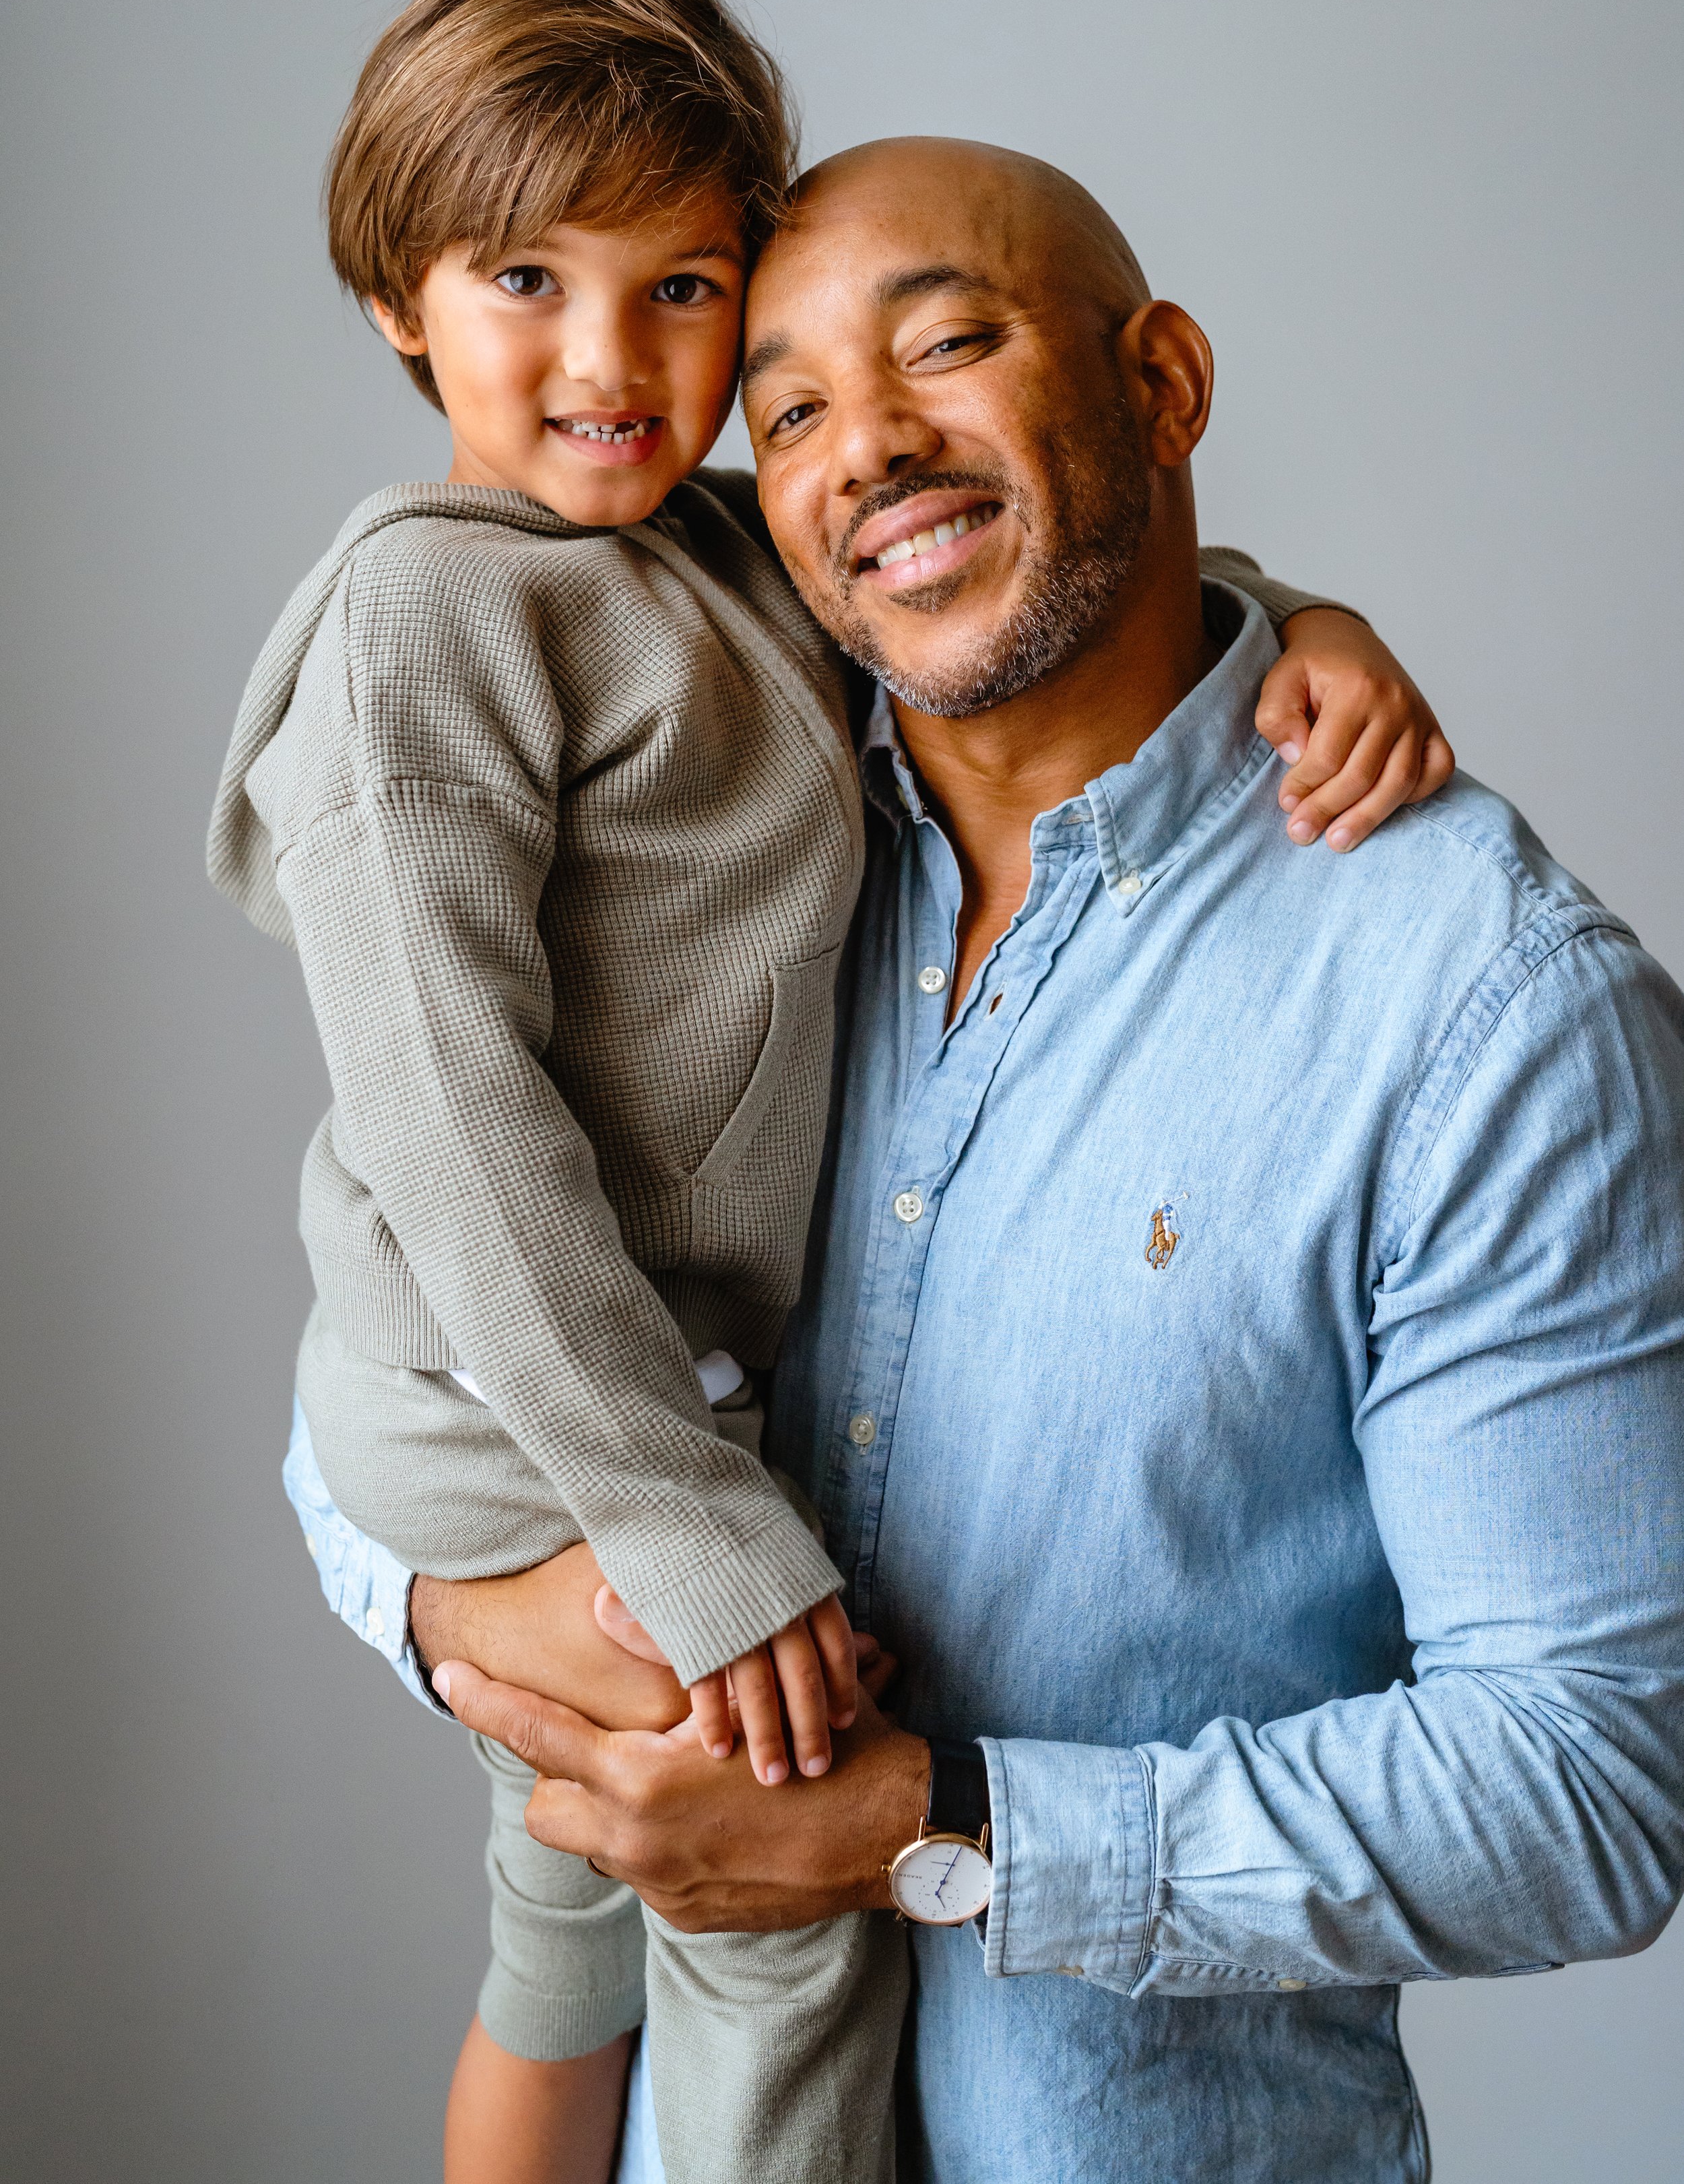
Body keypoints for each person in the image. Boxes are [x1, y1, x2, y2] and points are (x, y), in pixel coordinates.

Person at [210, 0, 1450, 2184]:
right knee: (761, 1898)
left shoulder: (702, 548)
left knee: (568, 1909)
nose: (609, 364)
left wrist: (1293, 624)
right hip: (502, 1389)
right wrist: (698, 1541)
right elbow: (448, 1126)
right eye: (520, 281)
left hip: (618, 1376)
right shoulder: (430, 618)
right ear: (401, 302)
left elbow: (963, 566)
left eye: (683, 289)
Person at [417, 137, 1684, 2184]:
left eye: (950, 346)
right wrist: (467, 1605)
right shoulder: (682, 853)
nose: (872, 452)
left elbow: (1590, 1788)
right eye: (793, 407)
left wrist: (939, 1828)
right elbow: (380, 1359)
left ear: (1163, 384)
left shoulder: (1482, 1008)